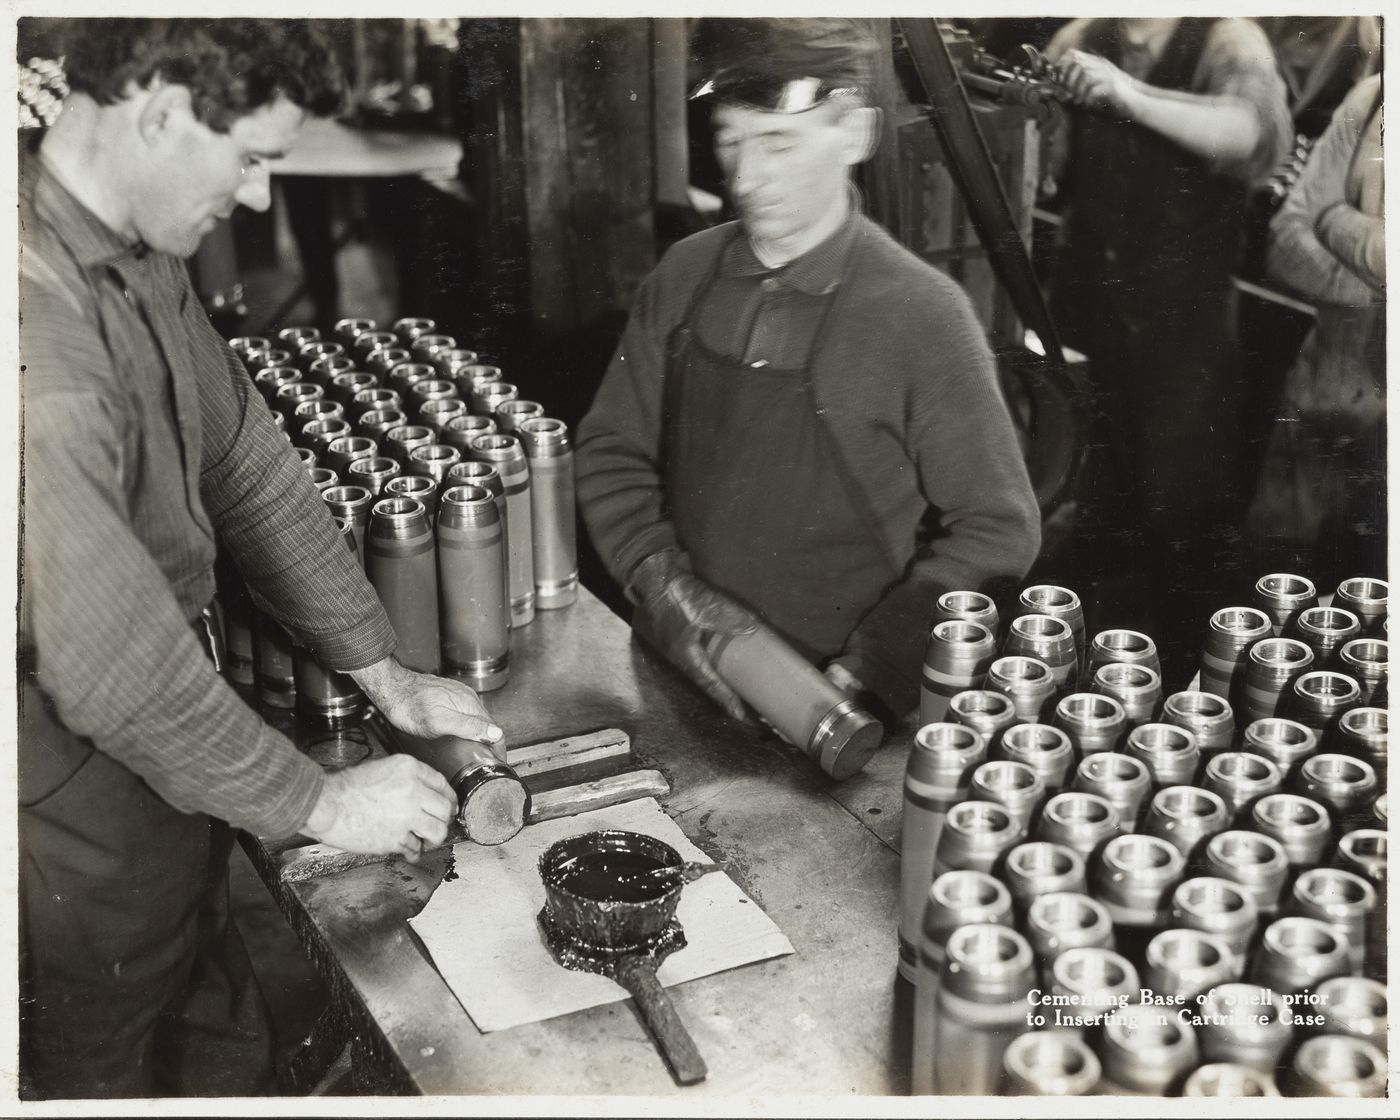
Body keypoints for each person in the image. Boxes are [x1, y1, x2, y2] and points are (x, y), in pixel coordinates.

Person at [19, 19, 502, 1098]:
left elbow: (241, 452)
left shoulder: (132, 242)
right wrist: (328, 807)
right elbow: (107, 670)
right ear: (157, 111)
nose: (253, 201)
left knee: (213, 999)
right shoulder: (36, 341)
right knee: (104, 1037)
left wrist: (385, 673)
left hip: (171, 733)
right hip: (66, 781)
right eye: (249, 159)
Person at [575, 18, 1040, 728]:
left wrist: (873, 668)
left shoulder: (921, 315)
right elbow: (610, 452)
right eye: (731, 140)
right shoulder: (684, 276)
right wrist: (666, 591)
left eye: (778, 141)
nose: (745, 177)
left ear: (854, 133)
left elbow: (1000, 529)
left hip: (835, 708)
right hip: (676, 671)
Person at [1042, 17, 1292, 682]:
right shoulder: (1084, 36)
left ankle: (1181, 700)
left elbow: (1254, 134)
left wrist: (1127, 94)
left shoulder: (1226, 39)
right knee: (1088, 512)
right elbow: (1048, 164)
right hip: (1091, 320)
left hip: (1183, 342)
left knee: (1177, 526)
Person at [1245, 74, 1385, 583]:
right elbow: (1285, 240)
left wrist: (1337, 223)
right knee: (1277, 602)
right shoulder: (1374, 97)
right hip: (1320, 416)